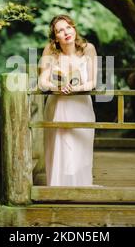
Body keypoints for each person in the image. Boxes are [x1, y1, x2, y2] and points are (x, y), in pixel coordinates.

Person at [38, 14, 98, 186]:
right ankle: (58, 189)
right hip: (58, 106)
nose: (66, 32)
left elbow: (92, 81)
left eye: (68, 27)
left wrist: (74, 89)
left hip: (81, 106)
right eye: (60, 30)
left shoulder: (88, 49)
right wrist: (57, 88)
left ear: (74, 28)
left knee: (80, 149)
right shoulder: (50, 51)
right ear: (55, 37)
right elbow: (42, 81)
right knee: (60, 149)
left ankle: (80, 188)